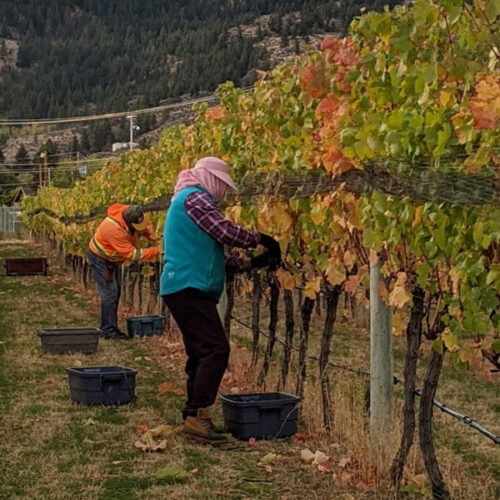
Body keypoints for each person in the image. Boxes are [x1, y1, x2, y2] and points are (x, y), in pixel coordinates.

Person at [160, 156, 281, 441]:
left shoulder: (186, 199)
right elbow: (224, 231)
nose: (224, 193)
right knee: (216, 349)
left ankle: (194, 415)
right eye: (222, 185)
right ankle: (197, 415)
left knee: (201, 351)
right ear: (211, 179)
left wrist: (253, 263)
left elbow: (212, 256)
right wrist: (262, 239)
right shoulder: (195, 198)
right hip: (188, 285)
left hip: (183, 284)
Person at [88, 203, 160, 339]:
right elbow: (132, 255)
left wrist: (151, 237)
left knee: (115, 291)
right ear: (128, 223)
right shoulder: (114, 229)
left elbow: (141, 227)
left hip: (111, 260)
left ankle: (111, 327)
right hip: (100, 259)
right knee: (110, 293)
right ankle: (108, 331)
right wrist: (156, 250)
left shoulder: (131, 211)